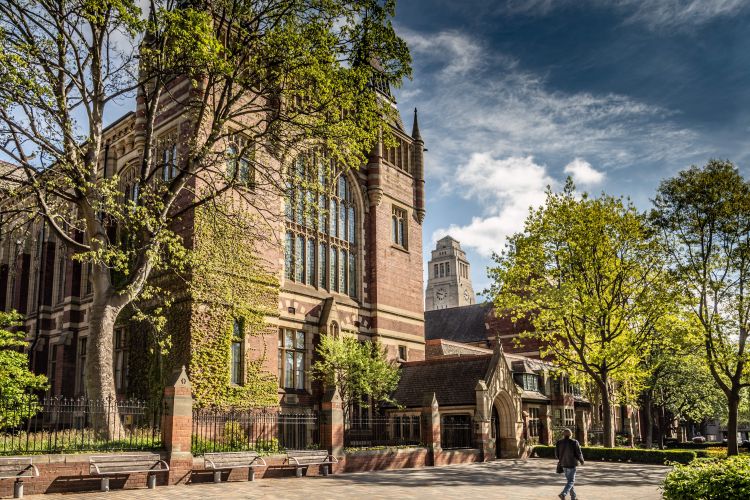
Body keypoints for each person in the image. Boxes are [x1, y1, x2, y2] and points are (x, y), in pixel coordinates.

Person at [555, 428, 584, 500]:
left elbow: (556, 454)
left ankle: (573, 497)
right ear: (571, 434)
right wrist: (581, 460)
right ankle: (563, 494)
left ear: (563, 434)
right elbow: (578, 453)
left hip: (563, 464)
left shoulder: (559, 442)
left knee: (569, 481)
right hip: (571, 464)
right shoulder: (574, 442)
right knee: (571, 481)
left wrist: (561, 459)